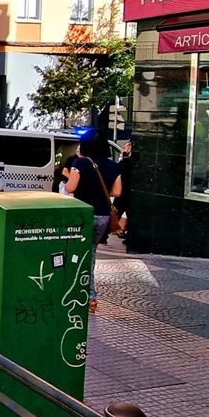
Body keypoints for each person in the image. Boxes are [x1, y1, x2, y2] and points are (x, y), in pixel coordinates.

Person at [64, 130, 121, 313]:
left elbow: (70, 187)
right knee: (91, 254)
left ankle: (74, 292)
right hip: (103, 216)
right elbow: (117, 192)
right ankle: (91, 298)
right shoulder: (113, 166)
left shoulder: (79, 163)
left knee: (74, 252)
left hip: (82, 214)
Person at [114, 141, 133, 238]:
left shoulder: (126, 161)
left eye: (125, 147)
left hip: (124, 190)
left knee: (116, 210)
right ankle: (121, 230)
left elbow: (118, 169)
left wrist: (122, 156)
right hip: (128, 190)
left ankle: (114, 229)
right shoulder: (131, 161)